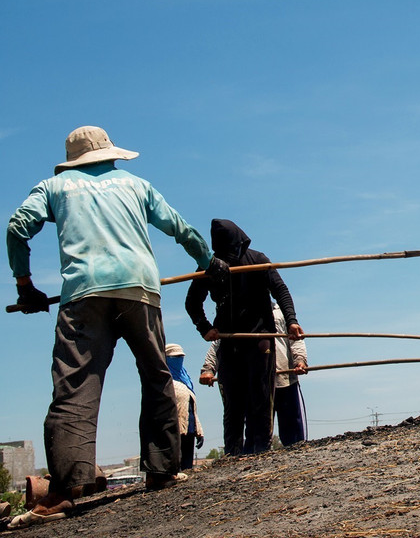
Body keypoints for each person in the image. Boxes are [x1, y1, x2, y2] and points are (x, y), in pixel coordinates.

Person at [5, 126, 228, 528]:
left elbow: (17, 228)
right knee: (157, 374)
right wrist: (207, 260)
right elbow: (179, 227)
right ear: (110, 154)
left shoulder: (54, 187)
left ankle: (64, 490)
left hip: (84, 294)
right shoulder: (136, 184)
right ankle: (162, 470)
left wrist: (26, 286)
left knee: (74, 388)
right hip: (139, 290)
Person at [185, 219, 304, 456]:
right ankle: (233, 452)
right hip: (229, 340)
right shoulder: (210, 266)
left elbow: (280, 290)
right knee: (233, 398)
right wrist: (204, 327)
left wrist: (291, 320)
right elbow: (192, 302)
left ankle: (261, 448)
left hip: (260, 337)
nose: (230, 255)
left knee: (260, 395)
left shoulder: (258, 260)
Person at [200, 303, 309, 446]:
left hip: (284, 379)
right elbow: (219, 343)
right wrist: (208, 369)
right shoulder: (241, 314)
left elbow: (295, 340)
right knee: (256, 431)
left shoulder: (281, 313)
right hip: (257, 381)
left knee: (293, 435)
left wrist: (300, 360)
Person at [164, 343, 204, 469]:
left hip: (189, 428)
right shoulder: (165, 380)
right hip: (174, 430)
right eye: (175, 357)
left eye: (181, 356)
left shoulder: (185, 379)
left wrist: (199, 431)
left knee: (188, 466)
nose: (179, 360)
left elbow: (191, 407)